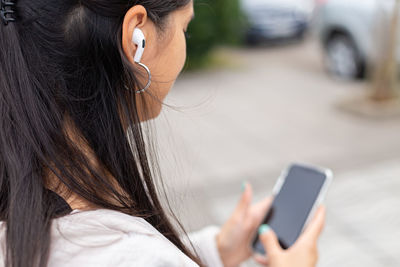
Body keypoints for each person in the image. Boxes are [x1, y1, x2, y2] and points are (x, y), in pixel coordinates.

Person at [0, 0, 325, 266]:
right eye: (185, 27)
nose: (185, 43)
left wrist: (218, 250)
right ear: (136, 38)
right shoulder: (132, 255)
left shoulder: (22, 202)